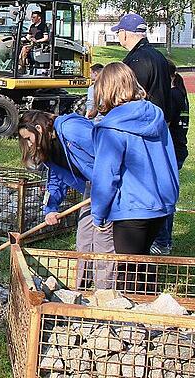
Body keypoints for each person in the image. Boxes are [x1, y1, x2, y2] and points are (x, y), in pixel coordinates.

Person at [91, 62, 178, 291]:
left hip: (133, 208)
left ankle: (135, 320)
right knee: (144, 264)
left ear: (105, 89)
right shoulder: (155, 114)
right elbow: (169, 156)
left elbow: (106, 176)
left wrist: (98, 214)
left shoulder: (109, 127)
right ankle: (155, 313)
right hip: (160, 203)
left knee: (129, 273)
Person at [17, 110, 114, 288]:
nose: (28, 144)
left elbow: (108, 154)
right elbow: (55, 177)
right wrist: (51, 207)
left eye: (28, 138)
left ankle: (105, 292)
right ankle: (81, 287)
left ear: (38, 128)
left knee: (102, 238)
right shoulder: (47, 146)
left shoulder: (71, 128)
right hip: (92, 187)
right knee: (84, 237)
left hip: (110, 184)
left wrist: (106, 188)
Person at [150, 61, 190, 255]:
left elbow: (164, 123)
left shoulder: (172, 96)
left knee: (162, 196)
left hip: (171, 151)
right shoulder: (180, 93)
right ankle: (164, 240)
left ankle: (163, 241)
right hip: (178, 149)